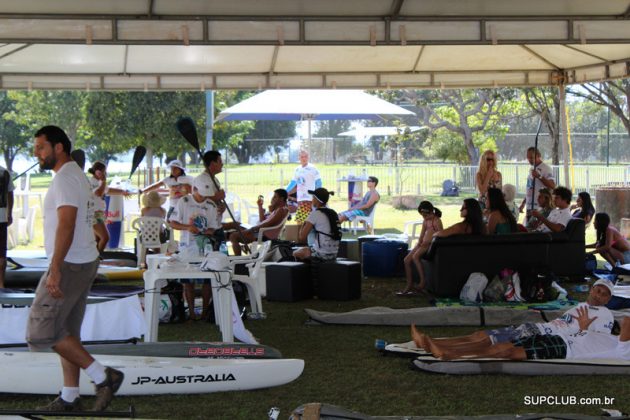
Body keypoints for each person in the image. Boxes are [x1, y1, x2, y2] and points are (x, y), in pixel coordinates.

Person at [27, 126, 123, 412]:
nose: (37, 154)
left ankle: (103, 376)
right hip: (83, 261)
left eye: (41, 148)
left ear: (58, 148)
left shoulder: (65, 180)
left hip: (69, 264)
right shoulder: (75, 176)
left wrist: (54, 268)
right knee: (66, 330)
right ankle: (70, 396)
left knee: (40, 331)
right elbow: (90, 221)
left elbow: (66, 225)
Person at [410, 279, 614, 356]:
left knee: (488, 342)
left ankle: (443, 350)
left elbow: (596, 342)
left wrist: (584, 328)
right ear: (592, 289)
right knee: (481, 334)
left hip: (547, 337)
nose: (599, 295)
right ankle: (434, 343)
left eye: (604, 294)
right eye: (597, 290)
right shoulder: (581, 305)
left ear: (608, 299)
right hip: (538, 328)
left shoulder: (605, 315)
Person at [417, 315, 630, 362]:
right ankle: (444, 349)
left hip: (566, 349)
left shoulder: (626, 349)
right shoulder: (617, 339)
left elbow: (627, 320)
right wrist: (583, 329)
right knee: (504, 346)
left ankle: (450, 354)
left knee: (510, 352)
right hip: (561, 338)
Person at [169, 185, 226, 321]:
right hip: (187, 246)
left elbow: (214, 227)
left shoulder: (211, 205)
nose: (204, 198)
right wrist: (188, 227)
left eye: (206, 195)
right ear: (195, 190)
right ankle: (192, 314)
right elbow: (172, 223)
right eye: (201, 195)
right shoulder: (184, 202)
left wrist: (208, 231)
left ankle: (205, 312)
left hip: (205, 247)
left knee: (208, 279)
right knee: (188, 281)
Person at [398, 201, 443, 297]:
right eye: (422, 215)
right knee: (406, 260)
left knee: (415, 257)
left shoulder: (437, 221)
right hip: (422, 244)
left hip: (429, 245)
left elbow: (441, 235)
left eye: (426, 215)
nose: (424, 217)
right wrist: (418, 243)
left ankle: (422, 282)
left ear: (431, 212)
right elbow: (422, 234)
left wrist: (429, 242)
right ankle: (409, 284)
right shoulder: (426, 221)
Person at [229, 189, 289, 256]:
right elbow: (262, 220)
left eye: (275, 197)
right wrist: (260, 206)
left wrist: (252, 229)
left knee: (233, 236)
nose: (272, 198)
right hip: (261, 231)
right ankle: (244, 248)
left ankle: (238, 261)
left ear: (281, 198)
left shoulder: (281, 210)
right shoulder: (278, 209)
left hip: (263, 234)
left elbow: (267, 224)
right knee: (236, 225)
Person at [87, 161, 131, 253]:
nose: (105, 174)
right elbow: (99, 193)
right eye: (104, 171)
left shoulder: (99, 182)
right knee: (105, 237)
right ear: (98, 172)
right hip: (94, 213)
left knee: (98, 239)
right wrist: (103, 181)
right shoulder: (93, 182)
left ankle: (95, 257)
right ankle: (97, 258)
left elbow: (107, 190)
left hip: (99, 212)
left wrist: (122, 191)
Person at [293, 188, 340, 262]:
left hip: (321, 254)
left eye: (313, 198)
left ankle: (309, 273)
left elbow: (302, 238)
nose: (312, 200)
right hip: (334, 253)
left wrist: (304, 223)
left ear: (317, 200)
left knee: (296, 253)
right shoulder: (333, 213)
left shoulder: (315, 214)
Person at [519, 147, 556, 224]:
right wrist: (523, 203)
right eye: (528, 158)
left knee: (534, 229)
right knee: (528, 228)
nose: (529, 160)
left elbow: (552, 185)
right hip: (529, 205)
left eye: (532, 157)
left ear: (538, 155)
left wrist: (539, 176)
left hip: (539, 206)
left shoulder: (546, 168)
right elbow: (530, 187)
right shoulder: (532, 168)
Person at [286, 150, 322, 226]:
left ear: (308, 157)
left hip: (308, 198)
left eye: (305, 157)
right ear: (299, 158)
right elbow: (293, 182)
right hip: (300, 198)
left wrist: (317, 196)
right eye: (302, 157)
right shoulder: (297, 169)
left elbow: (319, 182)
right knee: (305, 221)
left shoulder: (313, 168)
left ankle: (302, 236)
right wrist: (284, 191)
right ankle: (307, 236)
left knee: (300, 221)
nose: (304, 158)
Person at [0, 165, 14, 289]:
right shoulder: (4, 172)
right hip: (1, 217)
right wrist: (9, 213)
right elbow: (10, 194)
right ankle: (1, 284)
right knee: (1, 253)